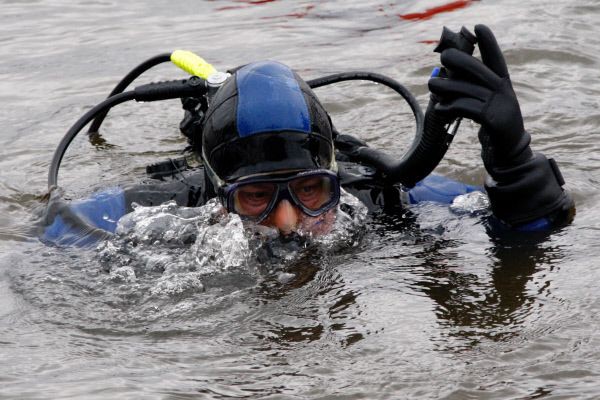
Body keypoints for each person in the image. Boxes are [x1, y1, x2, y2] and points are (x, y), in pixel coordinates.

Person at [41, 25, 574, 247]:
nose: (289, 220)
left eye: (311, 190)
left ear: (335, 178)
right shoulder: (173, 206)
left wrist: (514, 159)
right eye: (255, 196)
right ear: (217, 193)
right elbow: (51, 235)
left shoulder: (372, 195)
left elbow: (531, 231)